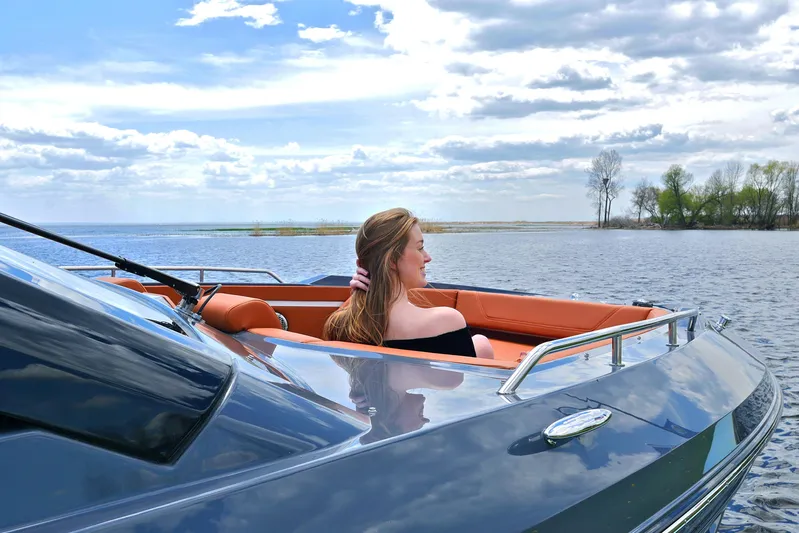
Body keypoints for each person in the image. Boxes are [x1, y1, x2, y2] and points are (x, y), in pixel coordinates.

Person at [322, 207, 494, 359]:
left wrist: (355, 298)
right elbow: (459, 385)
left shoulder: (342, 326)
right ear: (392, 261)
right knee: (481, 344)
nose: (427, 257)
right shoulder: (447, 320)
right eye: (419, 247)